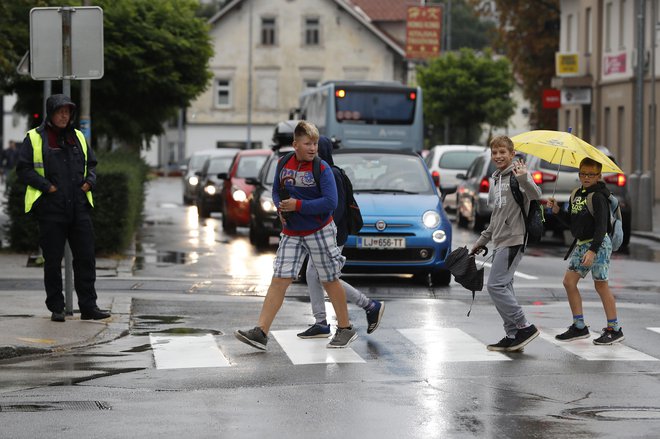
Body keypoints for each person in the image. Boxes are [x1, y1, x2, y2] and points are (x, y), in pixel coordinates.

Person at [235, 121, 356, 350]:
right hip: (291, 232)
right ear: (295, 144)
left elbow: (331, 203)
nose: (312, 148)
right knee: (279, 279)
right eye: (307, 144)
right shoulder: (283, 162)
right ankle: (261, 332)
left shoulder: (323, 169)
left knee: (329, 279)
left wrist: (298, 205)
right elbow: (276, 190)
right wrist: (280, 207)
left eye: (315, 144)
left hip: (319, 230)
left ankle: (345, 328)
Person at [16, 94, 110, 323]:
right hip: (51, 209)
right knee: (52, 261)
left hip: (79, 208)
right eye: (60, 111)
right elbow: (24, 170)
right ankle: (57, 308)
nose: (64, 115)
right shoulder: (35, 138)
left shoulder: (78, 137)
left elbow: (92, 165)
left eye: (68, 111)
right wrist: (47, 188)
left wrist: (90, 181)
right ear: (51, 113)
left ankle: (88, 307)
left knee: (86, 259)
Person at [296, 136, 384, 339]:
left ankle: (370, 305)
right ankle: (321, 322)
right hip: (322, 234)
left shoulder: (331, 174)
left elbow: (334, 208)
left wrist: (319, 231)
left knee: (324, 277)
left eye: (314, 147)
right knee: (313, 275)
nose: (310, 151)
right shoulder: (319, 172)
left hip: (330, 235)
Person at [470, 135, 542, 352]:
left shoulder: (517, 176)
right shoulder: (498, 178)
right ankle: (513, 334)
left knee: (495, 285)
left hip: (514, 238)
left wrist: (524, 178)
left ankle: (524, 326)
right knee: (505, 286)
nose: (499, 156)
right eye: (495, 152)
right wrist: (481, 241)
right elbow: (497, 216)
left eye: (503, 152)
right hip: (501, 239)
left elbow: (536, 194)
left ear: (512, 154)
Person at [546, 158, 624, 345]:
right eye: (583, 173)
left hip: (598, 245)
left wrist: (593, 251)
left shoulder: (599, 196)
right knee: (569, 282)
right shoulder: (576, 194)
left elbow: (601, 227)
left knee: (601, 285)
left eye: (591, 174)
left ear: (599, 176)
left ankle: (614, 329)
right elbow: (572, 223)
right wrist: (557, 210)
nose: (586, 177)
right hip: (582, 244)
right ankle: (579, 326)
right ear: (579, 174)